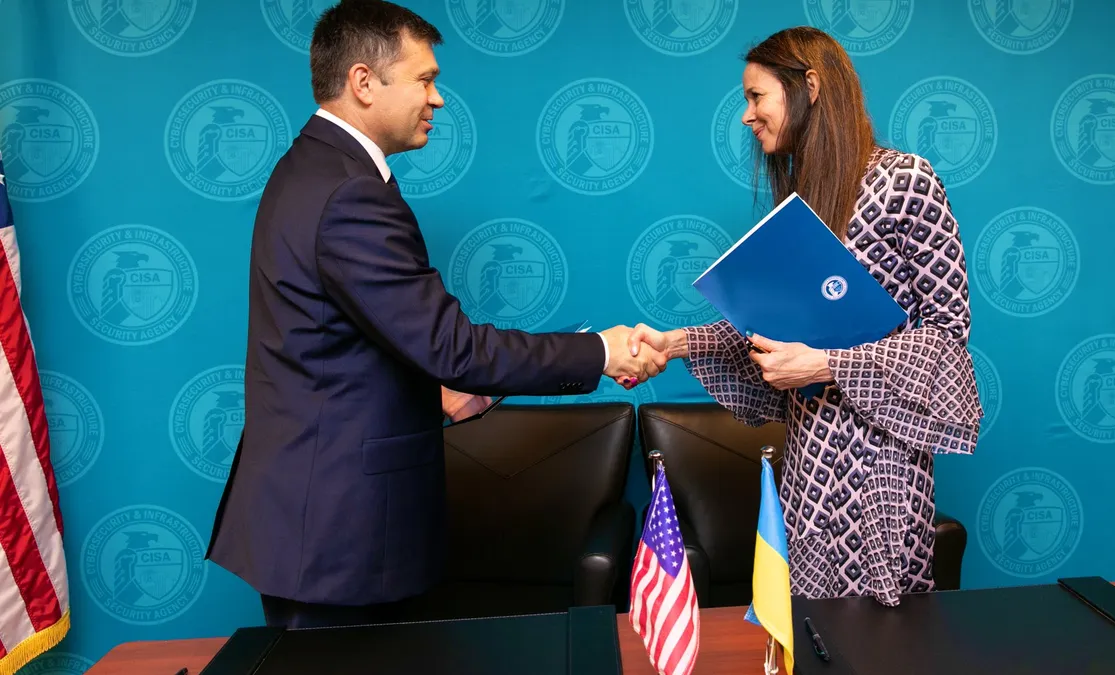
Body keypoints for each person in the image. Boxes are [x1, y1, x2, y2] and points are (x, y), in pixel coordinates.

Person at [204, 0, 666, 629]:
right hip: (337, 531)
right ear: (363, 83)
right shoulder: (349, 193)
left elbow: (350, 344)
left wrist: (440, 391)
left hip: (314, 516)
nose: (438, 99)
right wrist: (604, 352)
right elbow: (452, 347)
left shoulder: (311, 168)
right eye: (425, 79)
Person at [628, 26, 983, 607]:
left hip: (882, 464)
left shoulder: (906, 182)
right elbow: (772, 325)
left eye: (755, 96)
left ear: (809, 87)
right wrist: (676, 342)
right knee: (803, 629)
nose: (747, 116)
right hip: (808, 460)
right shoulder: (806, 196)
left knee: (878, 641)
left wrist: (826, 364)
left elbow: (946, 340)